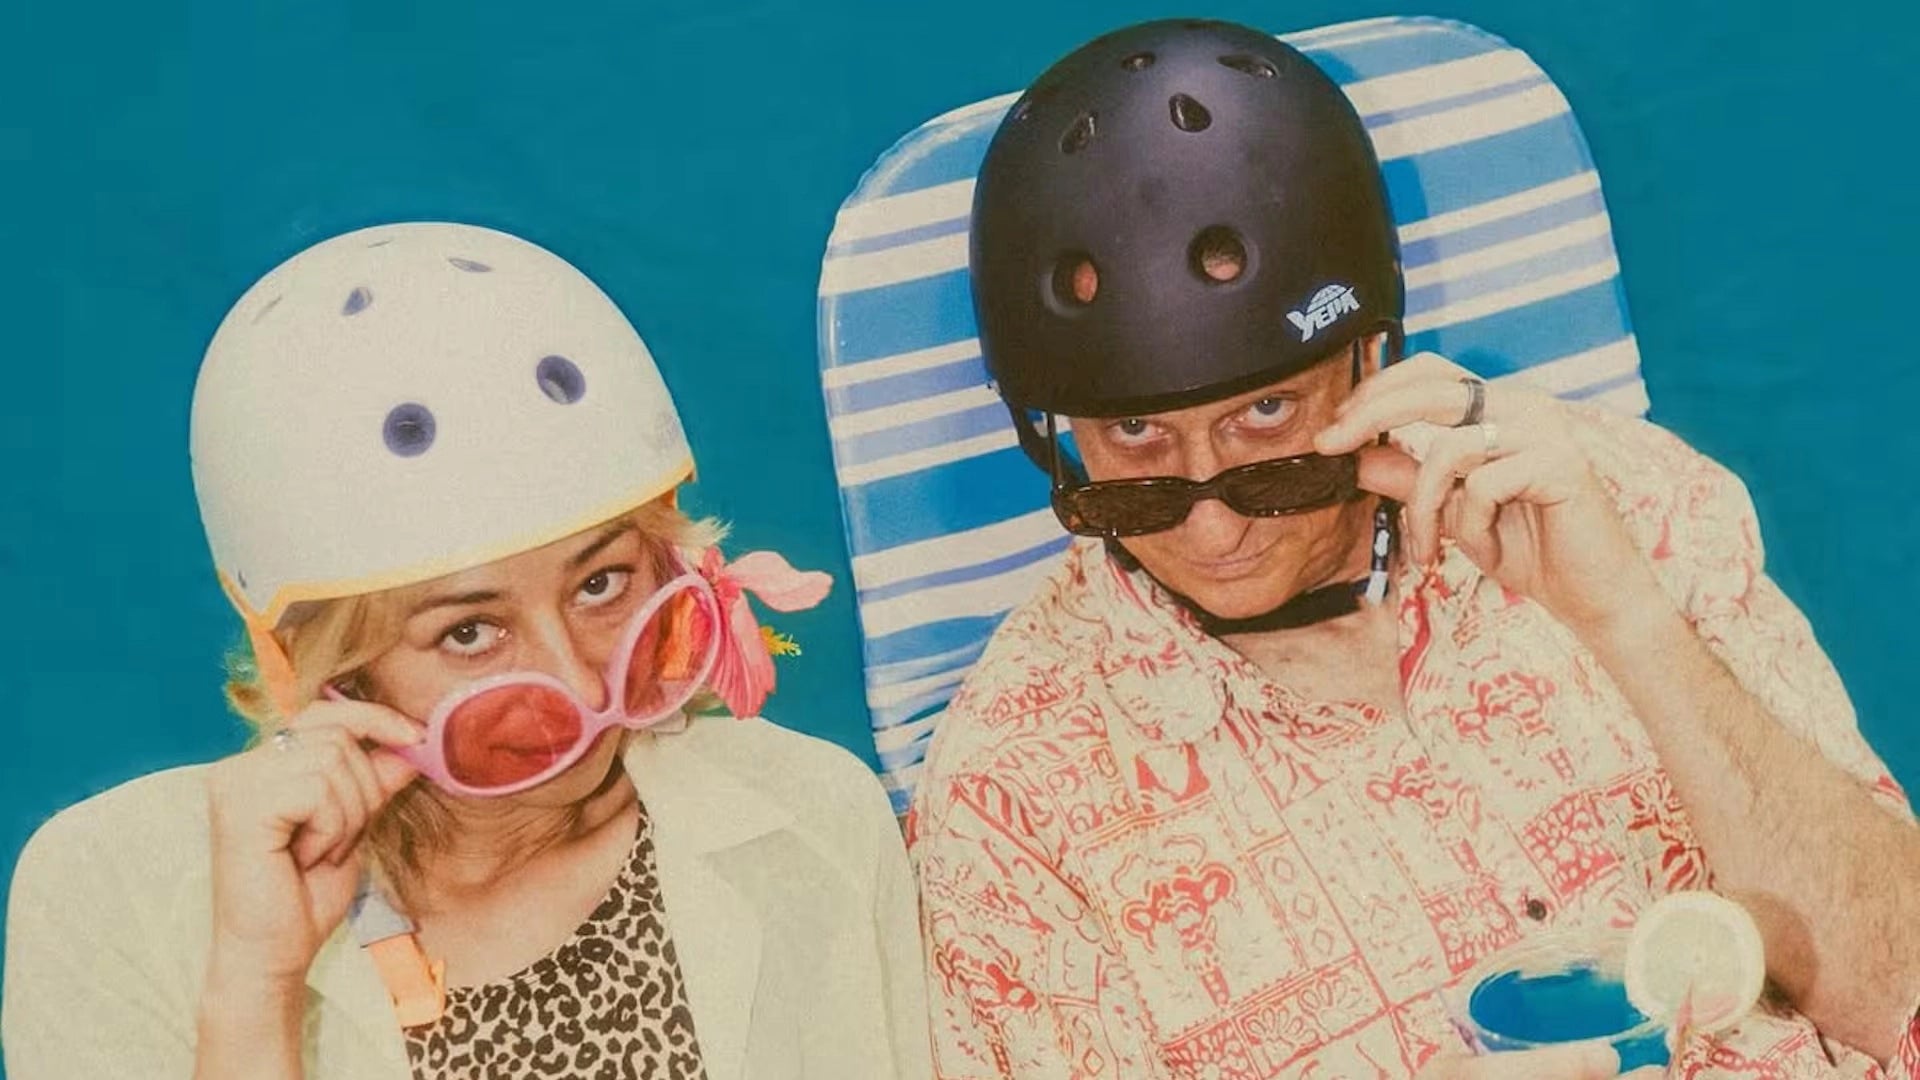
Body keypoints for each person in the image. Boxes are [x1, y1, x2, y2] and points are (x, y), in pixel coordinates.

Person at [909, 19, 1920, 1079]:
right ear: (1052, 433)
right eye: (1135, 444)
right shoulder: (1013, 795)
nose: (1212, 529)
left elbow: (1900, 987)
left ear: (1372, 354)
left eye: (1266, 420)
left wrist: (1630, 623)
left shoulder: (1621, 502)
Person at [3, 222, 931, 1079]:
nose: (575, 682)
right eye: (468, 631)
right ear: (328, 666)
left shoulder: (812, 818)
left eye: (600, 583)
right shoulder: (108, 892)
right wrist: (254, 983)